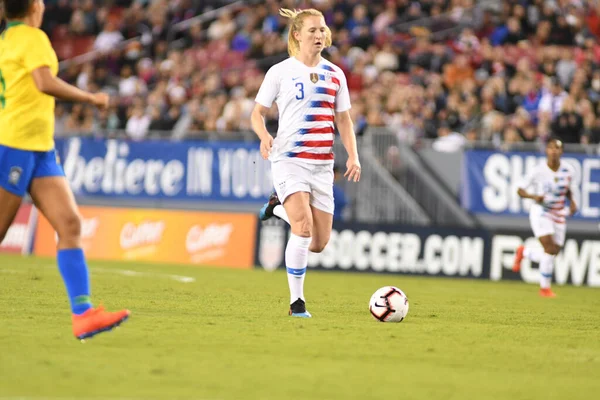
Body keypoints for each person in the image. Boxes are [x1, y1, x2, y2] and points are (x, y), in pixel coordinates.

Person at [0, 0, 129, 340]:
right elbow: (44, 82)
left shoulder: (7, 41)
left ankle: (83, 315)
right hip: (15, 145)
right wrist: (91, 98)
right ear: (33, 7)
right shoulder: (31, 37)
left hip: (39, 147)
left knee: (70, 223)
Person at [251, 8, 360, 318]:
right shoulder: (280, 71)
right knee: (303, 227)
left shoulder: (335, 74)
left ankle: (276, 208)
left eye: (322, 29)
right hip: (288, 159)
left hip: (322, 165)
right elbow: (256, 113)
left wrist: (353, 155)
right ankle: (296, 304)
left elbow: (344, 119)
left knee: (318, 243)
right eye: (313, 30)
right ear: (297, 35)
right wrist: (263, 135)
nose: (319, 34)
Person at [512, 138, 578, 297]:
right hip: (541, 212)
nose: (554, 151)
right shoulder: (538, 170)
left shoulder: (569, 170)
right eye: (551, 148)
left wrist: (572, 202)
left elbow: (567, 189)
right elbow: (520, 190)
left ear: (561, 151)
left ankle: (525, 252)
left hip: (559, 213)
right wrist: (534, 196)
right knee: (549, 248)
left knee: (554, 251)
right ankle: (544, 289)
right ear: (546, 151)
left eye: (557, 148)